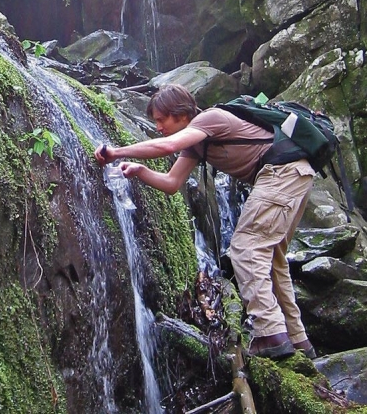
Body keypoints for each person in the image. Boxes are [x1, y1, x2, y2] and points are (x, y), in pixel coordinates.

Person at [94, 84, 317, 360]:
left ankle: (270, 334)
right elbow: (172, 183)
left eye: (161, 119)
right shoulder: (197, 146)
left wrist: (117, 152)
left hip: (282, 173)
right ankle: (298, 340)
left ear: (182, 114)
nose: (158, 126)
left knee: (246, 248)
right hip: (295, 174)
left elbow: (168, 146)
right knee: (271, 259)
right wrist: (139, 170)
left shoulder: (211, 119)